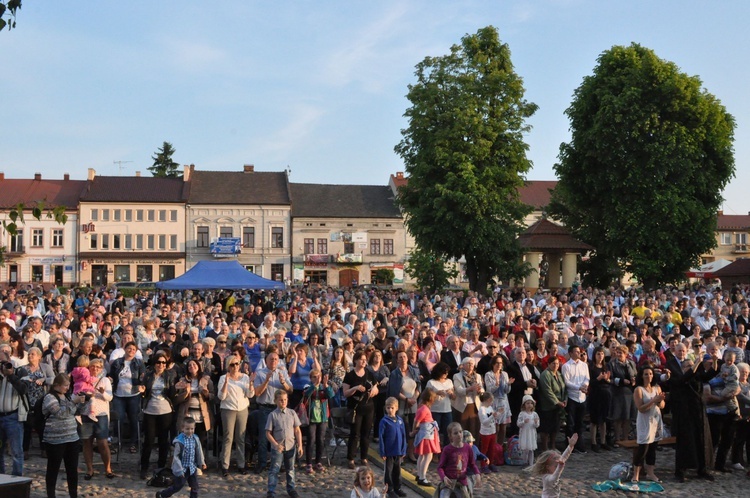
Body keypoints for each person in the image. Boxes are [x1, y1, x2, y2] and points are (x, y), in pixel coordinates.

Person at [666, 342, 717, 482]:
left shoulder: (695, 375)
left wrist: (716, 363)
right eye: (679, 350)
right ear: (674, 351)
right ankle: (680, 471)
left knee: (701, 439)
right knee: (684, 442)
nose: (682, 353)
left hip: (698, 411)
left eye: (684, 350)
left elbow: (706, 376)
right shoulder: (672, 367)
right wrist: (695, 364)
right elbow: (682, 379)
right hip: (683, 411)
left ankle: (702, 469)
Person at [42, 373, 85, 498]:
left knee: (72, 470)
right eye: (65, 385)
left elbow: (72, 412)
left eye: (68, 385)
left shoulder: (66, 397)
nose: (67, 388)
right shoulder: (49, 397)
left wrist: (79, 402)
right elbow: (60, 413)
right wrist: (73, 402)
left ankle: (73, 494)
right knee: (53, 469)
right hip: (55, 440)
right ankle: (51, 495)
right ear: (57, 385)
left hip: (72, 438)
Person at [140, 350, 178, 479]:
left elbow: (172, 395)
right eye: (158, 362)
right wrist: (142, 391)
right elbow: (144, 394)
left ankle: (161, 466)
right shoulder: (148, 375)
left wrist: (175, 387)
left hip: (165, 410)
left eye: (163, 362)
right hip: (150, 410)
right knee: (149, 440)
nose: (161, 365)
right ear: (154, 363)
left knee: (163, 440)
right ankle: (144, 467)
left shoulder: (170, 375)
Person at [253, 351, 293, 473]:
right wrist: (266, 381)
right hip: (265, 408)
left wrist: (283, 383)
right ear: (266, 360)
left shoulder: (283, 373)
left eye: (276, 359)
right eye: (271, 359)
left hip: (279, 409)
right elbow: (257, 393)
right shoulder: (260, 373)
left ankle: (278, 464)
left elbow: (290, 390)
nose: (274, 361)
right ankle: (262, 463)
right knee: (264, 437)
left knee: (280, 436)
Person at [218, 353, 255, 476]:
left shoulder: (244, 377)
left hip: (242, 409)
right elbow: (221, 396)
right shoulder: (223, 378)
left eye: (237, 364)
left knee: (241, 438)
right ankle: (225, 465)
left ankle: (241, 464)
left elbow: (250, 395)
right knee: (228, 437)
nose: (235, 367)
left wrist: (250, 383)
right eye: (232, 365)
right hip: (228, 409)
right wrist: (226, 383)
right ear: (228, 366)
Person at [343, 350, 379, 469]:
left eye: (365, 359)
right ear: (356, 360)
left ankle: (364, 457)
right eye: (361, 359)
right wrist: (355, 388)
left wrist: (374, 391)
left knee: (366, 433)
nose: (364, 361)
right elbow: (345, 393)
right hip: (355, 408)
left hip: (369, 407)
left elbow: (375, 387)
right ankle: (351, 458)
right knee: (355, 434)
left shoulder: (369, 373)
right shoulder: (350, 375)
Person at [80, 358, 114, 480]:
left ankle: (108, 468)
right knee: (87, 442)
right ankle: (89, 469)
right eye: (92, 366)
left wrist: (102, 393)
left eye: (97, 367)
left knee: (102, 442)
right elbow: (76, 394)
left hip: (101, 414)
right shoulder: (84, 380)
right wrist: (84, 397)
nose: (95, 369)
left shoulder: (104, 380)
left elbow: (110, 397)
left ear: (101, 369)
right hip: (86, 413)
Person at [109, 341, 146, 454]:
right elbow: (112, 376)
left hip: (133, 395)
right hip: (118, 395)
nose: (131, 351)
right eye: (129, 348)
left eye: (133, 349)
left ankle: (133, 443)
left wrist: (142, 381)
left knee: (134, 419)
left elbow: (143, 378)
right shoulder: (117, 362)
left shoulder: (139, 363)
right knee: (118, 419)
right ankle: (117, 442)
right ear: (125, 349)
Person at [155, 417, 207, 498]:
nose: (190, 431)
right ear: (182, 428)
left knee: (195, 486)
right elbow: (176, 457)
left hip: (192, 467)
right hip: (182, 469)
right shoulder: (180, 441)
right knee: (178, 486)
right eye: (187, 429)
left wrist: (202, 462)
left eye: (192, 429)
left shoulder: (195, 439)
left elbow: (199, 451)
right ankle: (162, 494)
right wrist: (179, 470)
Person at [265, 389, 303, 498]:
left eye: (285, 400)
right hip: (278, 448)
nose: (283, 402)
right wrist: (275, 444)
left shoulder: (292, 413)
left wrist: (300, 445)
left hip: (290, 446)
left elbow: (297, 430)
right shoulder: (272, 415)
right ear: (276, 401)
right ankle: (271, 491)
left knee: (290, 469)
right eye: (281, 400)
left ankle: (291, 489)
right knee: (274, 469)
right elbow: (268, 433)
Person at [18, 346, 54, 458]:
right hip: (27, 401)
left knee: (41, 427)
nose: (30, 356)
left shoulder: (45, 367)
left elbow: (53, 379)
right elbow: (17, 381)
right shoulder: (23, 369)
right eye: (29, 354)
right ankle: (25, 451)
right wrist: (23, 380)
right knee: (27, 427)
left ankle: (44, 449)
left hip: (41, 401)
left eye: (33, 354)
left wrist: (44, 380)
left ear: (39, 356)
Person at [631, 365, 665, 483]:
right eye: (646, 374)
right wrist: (653, 401)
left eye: (650, 374)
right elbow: (640, 408)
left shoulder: (657, 388)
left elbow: (662, 405)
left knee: (652, 448)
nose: (649, 376)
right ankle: (636, 474)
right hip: (645, 421)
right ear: (642, 376)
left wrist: (659, 401)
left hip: (655, 419)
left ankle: (651, 473)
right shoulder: (639, 390)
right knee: (643, 448)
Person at [436, 422, 481, 498]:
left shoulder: (467, 448)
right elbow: (440, 467)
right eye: (455, 433)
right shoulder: (447, 449)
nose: (459, 435)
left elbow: (472, 464)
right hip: (449, 482)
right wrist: (444, 477)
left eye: (460, 432)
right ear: (450, 436)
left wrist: (477, 473)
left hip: (461, 482)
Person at [302, 368, 335, 473]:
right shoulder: (308, 386)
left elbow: (330, 396)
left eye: (318, 377)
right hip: (311, 417)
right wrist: (314, 386)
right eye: (314, 377)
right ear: (310, 378)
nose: (317, 379)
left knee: (320, 440)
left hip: (323, 417)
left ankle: (318, 461)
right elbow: (306, 394)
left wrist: (325, 386)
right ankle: (308, 463)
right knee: (311, 440)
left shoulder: (324, 387)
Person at [0, 350, 27, 476]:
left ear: (9, 361)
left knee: (16, 451)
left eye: (4, 362)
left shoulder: (20, 372)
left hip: (13, 417)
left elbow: (24, 389)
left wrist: (10, 376)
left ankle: (17, 480)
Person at [528, 433, 578, 498]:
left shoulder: (549, 472)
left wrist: (570, 446)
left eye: (558, 466)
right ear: (548, 467)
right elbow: (554, 477)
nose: (557, 467)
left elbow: (563, 458)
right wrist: (560, 467)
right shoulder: (547, 478)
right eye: (556, 466)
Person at [561, 345, 589, 453]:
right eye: (576, 351)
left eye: (579, 351)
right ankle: (569, 445)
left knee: (580, 422)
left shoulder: (584, 365)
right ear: (571, 353)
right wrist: (579, 387)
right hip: (572, 397)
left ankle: (579, 444)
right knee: (571, 423)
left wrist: (585, 385)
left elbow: (587, 378)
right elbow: (567, 382)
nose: (579, 353)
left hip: (582, 397)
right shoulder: (566, 366)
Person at [378, 396, 408, 498]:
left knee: (397, 471)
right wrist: (382, 452)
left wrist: (404, 449)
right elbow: (381, 437)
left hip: (398, 451)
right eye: (388, 408)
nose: (390, 410)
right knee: (388, 471)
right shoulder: (384, 421)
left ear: (396, 408)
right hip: (389, 451)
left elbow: (403, 435)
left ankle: (397, 487)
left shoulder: (400, 420)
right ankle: (389, 489)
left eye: (392, 408)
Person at [608, 345, 637, 446]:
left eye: (621, 353)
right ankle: (617, 438)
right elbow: (610, 379)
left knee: (627, 417)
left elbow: (635, 374)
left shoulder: (631, 363)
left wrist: (634, 380)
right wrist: (621, 381)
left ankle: (625, 438)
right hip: (618, 392)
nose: (619, 354)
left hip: (629, 392)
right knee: (618, 417)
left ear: (625, 354)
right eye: (617, 352)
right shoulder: (611, 364)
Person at [537, 355, 566, 452]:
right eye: (553, 363)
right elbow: (547, 391)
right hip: (547, 406)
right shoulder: (545, 374)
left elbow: (563, 388)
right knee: (545, 429)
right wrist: (557, 402)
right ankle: (545, 449)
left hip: (558, 406)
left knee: (555, 427)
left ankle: (553, 446)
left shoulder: (559, 374)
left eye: (557, 363)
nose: (556, 365)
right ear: (548, 364)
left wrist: (564, 399)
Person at [412, 390, 441, 487]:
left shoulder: (422, 408)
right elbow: (416, 421)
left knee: (422, 455)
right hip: (427, 434)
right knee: (428, 455)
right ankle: (422, 477)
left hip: (427, 433)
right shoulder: (424, 409)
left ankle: (420, 474)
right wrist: (414, 431)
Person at [451, 357, 483, 442]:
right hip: (463, 406)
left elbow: (482, 389)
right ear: (463, 365)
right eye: (468, 363)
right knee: (463, 426)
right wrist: (470, 389)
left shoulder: (478, 376)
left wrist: (480, 390)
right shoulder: (457, 376)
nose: (471, 365)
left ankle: (474, 447)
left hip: (475, 404)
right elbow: (458, 390)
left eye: (472, 364)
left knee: (475, 428)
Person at [587, 346, 612, 451]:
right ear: (594, 355)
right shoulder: (591, 368)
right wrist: (598, 378)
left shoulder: (606, 367)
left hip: (605, 394)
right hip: (595, 394)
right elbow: (589, 382)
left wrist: (607, 379)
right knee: (594, 420)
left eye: (602, 354)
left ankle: (603, 441)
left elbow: (610, 381)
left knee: (604, 419)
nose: (600, 356)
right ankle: (593, 442)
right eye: (598, 354)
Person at [484, 355, 512, 446]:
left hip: (503, 402)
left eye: (501, 363)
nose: (499, 365)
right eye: (497, 363)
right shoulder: (488, 374)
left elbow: (507, 391)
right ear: (493, 364)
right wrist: (496, 384)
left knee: (503, 426)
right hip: (494, 402)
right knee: (495, 426)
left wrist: (508, 384)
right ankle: (494, 446)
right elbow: (489, 390)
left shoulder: (504, 374)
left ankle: (500, 446)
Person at [477, 392, 502, 471]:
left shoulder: (490, 408)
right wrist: (492, 416)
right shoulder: (482, 409)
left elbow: (493, 416)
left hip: (492, 431)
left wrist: (498, 413)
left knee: (492, 449)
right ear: (489, 400)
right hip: (485, 433)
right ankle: (483, 465)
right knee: (485, 449)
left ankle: (491, 463)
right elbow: (484, 422)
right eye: (491, 401)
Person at [517, 394, 540, 465]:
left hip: (531, 433)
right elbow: (518, 424)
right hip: (524, 433)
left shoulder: (535, 414)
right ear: (524, 405)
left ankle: (531, 463)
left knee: (531, 449)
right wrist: (523, 422)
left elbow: (537, 425)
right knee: (525, 449)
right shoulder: (522, 414)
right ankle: (524, 462)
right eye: (527, 403)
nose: (529, 405)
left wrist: (536, 422)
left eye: (531, 403)